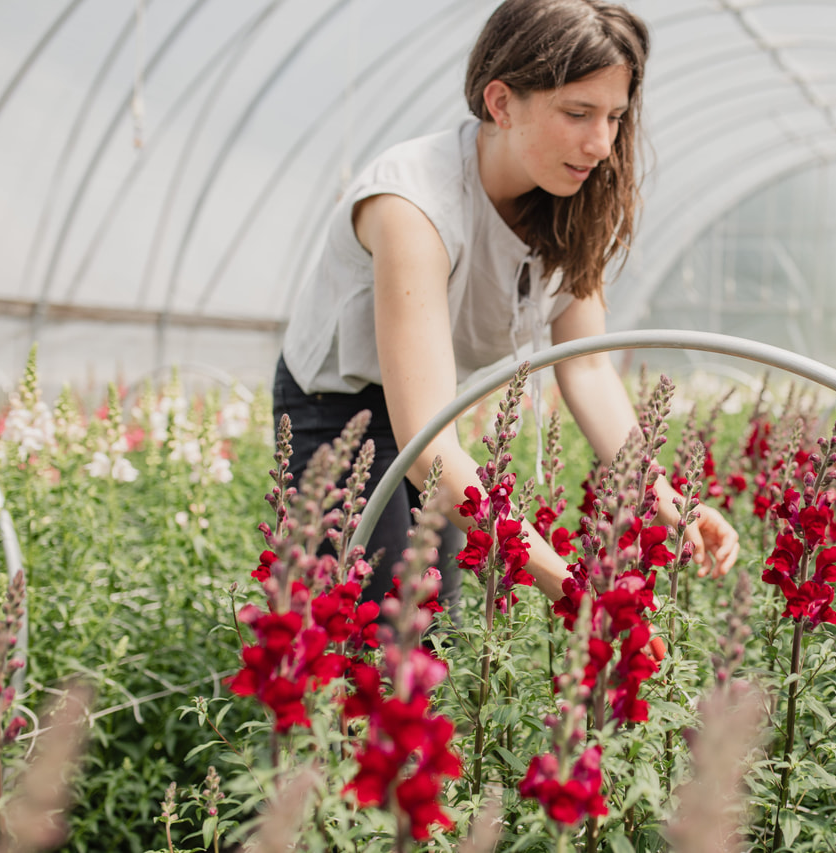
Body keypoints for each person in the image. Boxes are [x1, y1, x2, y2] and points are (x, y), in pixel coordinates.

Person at [274, 0, 740, 610]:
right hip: (336, 405)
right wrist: (568, 587)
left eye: (615, 117)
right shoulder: (413, 203)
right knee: (373, 625)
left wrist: (661, 495)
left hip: (431, 410)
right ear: (500, 103)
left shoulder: (576, 198)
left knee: (435, 622)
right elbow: (426, 442)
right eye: (577, 113)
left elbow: (587, 365)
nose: (601, 143)